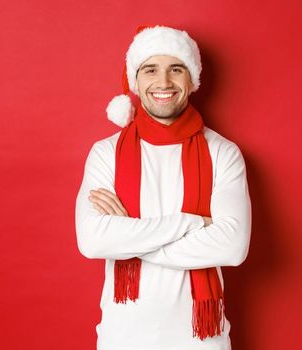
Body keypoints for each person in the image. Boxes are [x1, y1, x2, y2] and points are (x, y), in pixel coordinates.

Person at [75, 25, 252, 350]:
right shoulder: (105, 153)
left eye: (176, 69)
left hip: (202, 341)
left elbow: (232, 247)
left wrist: (129, 235)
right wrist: (195, 222)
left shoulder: (223, 153)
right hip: (122, 338)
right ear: (135, 80)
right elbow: (92, 241)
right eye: (150, 69)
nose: (164, 82)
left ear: (192, 79)